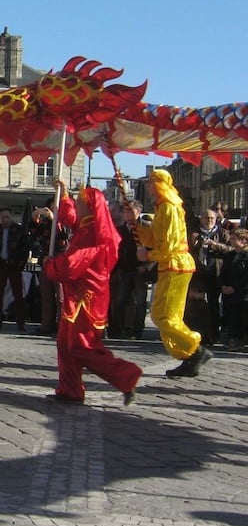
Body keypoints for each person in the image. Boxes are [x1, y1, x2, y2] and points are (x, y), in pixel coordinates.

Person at [43, 182, 142, 405]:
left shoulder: (92, 234)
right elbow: (72, 219)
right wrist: (64, 197)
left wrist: (50, 264)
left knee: (81, 346)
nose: (76, 206)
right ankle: (70, 390)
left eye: (79, 202)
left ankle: (126, 375)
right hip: (80, 296)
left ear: (89, 207)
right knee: (65, 343)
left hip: (85, 299)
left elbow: (71, 266)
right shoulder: (89, 226)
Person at [127, 169, 212, 378]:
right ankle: (189, 355)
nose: (148, 186)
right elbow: (154, 239)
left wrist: (148, 256)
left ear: (159, 184)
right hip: (169, 265)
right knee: (161, 315)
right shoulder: (162, 207)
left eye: (151, 182)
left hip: (176, 265)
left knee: (165, 315)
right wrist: (136, 224)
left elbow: (170, 245)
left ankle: (194, 348)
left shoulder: (169, 207)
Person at [109, 200, 153, 340]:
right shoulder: (121, 229)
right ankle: (117, 328)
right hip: (125, 270)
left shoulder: (146, 227)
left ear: (138, 212)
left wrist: (147, 266)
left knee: (140, 302)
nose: (128, 215)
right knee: (120, 300)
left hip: (140, 270)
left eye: (131, 212)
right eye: (126, 212)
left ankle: (137, 330)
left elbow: (156, 248)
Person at [28, 198, 70, 337]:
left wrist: (55, 220)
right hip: (46, 261)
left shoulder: (67, 221)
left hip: (61, 262)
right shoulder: (46, 223)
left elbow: (66, 236)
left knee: (60, 297)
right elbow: (35, 233)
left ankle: (62, 326)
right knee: (46, 295)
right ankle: (46, 325)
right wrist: (34, 220)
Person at [187, 207, 224, 345]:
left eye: (212, 218)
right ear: (201, 219)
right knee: (196, 304)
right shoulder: (194, 233)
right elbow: (186, 250)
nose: (209, 220)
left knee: (213, 304)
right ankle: (197, 333)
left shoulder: (222, 233)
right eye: (206, 218)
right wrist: (193, 243)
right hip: (198, 273)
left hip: (215, 273)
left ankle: (213, 334)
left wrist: (215, 245)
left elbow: (230, 249)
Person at [0, 206, 30, 331]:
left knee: (18, 295)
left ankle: (21, 322)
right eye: (3, 217)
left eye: (7, 217)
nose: (5, 220)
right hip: (0, 265)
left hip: (14, 266)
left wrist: (20, 265)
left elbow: (25, 249)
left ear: (11, 217)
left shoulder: (19, 230)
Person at [219, 228, 248, 349]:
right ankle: (236, 339)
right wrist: (223, 285)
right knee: (233, 317)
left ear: (243, 240)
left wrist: (235, 288)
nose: (230, 240)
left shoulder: (246, 256)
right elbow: (223, 272)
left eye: (234, 238)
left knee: (244, 317)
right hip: (230, 293)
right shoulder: (230, 255)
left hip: (244, 293)